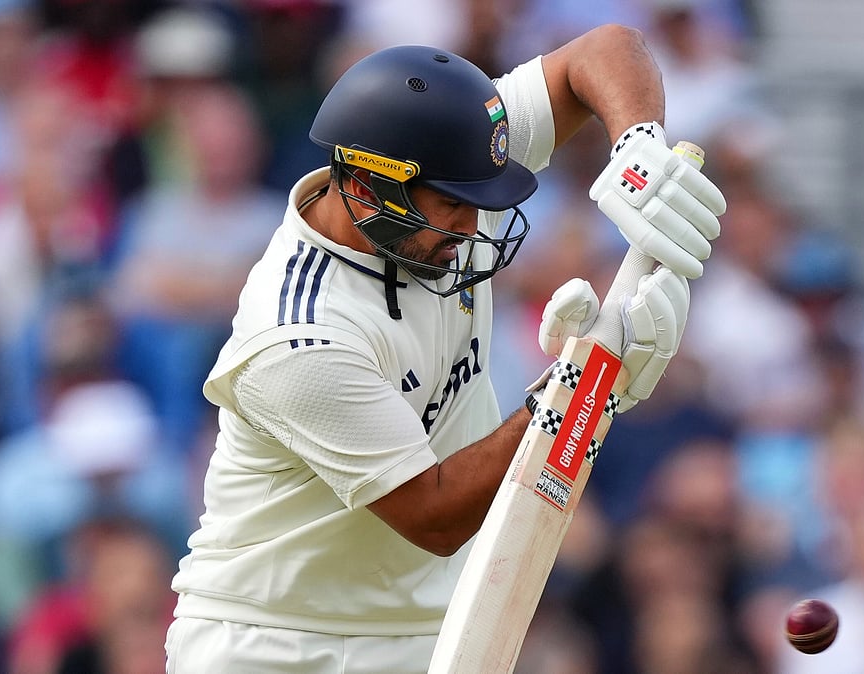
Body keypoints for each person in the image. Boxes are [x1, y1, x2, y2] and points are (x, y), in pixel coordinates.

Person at [164, 23, 725, 673]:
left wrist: (637, 148)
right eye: (453, 206)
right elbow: (433, 515)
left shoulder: (451, 153)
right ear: (367, 187)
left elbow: (605, 50)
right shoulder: (301, 335)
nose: (471, 226)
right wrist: (581, 387)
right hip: (277, 644)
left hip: (428, 628)